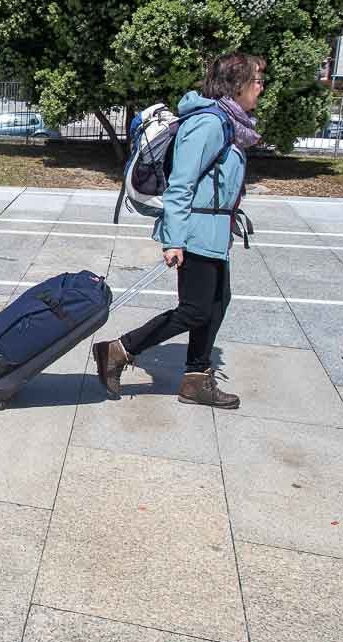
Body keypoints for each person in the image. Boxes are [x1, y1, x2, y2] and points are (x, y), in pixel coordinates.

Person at [92, 52, 264, 409]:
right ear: (237, 84)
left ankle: (196, 378)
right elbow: (182, 184)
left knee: (217, 303)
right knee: (195, 311)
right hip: (196, 231)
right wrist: (173, 240)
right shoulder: (209, 124)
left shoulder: (228, 123)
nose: (261, 88)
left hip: (214, 232)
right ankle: (117, 350)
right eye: (257, 80)